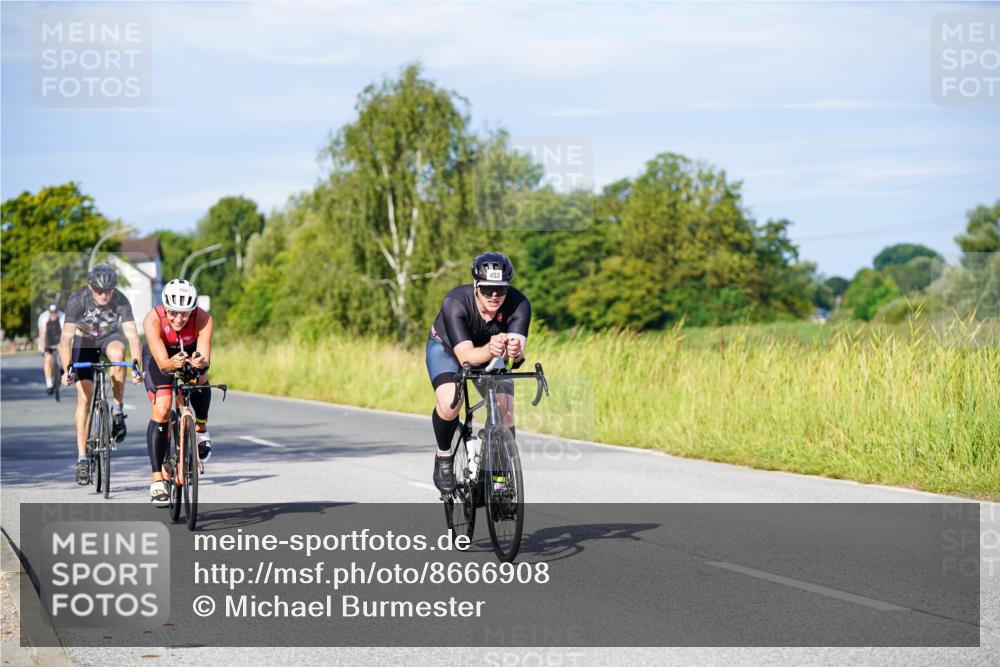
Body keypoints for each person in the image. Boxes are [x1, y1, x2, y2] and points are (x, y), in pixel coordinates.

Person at [425, 252, 531, 493]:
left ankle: (501, 483)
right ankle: (443, 456)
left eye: (500, 290)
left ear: (508, 288)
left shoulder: (520, 304)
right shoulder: (455, 302)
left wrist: (516, 351)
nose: (494, 296)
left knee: (505, 412)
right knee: (451, 403)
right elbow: (466, 358)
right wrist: (493, 349)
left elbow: (517, 356)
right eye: (487, 290)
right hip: (448, 351)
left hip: (489, 352)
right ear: (476, 286)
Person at [58, 263, 143, 485]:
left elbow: (133, 336)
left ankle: (117, 408)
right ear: (90, 287)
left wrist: (136, 367)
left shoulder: (121, 300)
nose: (104, 295)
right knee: (84, 398)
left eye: (108, 291)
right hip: (84, 341)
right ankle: (82, 459)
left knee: (119, 353)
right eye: (99, 290)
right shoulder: (78, 300)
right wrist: (67, 369)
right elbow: (65, 340)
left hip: (109, 337)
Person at [141, 279, 214, 504]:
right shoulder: (153, 319)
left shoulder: (203, 318)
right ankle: (156, 480)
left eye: (184, 313)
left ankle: (200, 427)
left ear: (192, 310)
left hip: (188, 353)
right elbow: (163, 364)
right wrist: (172, 364)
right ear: (165, 308)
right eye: (173, 313)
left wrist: (198, 362)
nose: (179, 319)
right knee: (162, 409)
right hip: (160, 358)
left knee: (200, 378)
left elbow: (204, 357)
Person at [38, 303, 65, 394]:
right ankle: (49, 384)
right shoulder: (43, 317)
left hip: (59, 337)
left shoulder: (62, 316)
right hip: (48, 338)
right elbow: (42, 334)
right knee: (48, 359)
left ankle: (62, 368)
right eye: (51, 313)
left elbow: (64, 333)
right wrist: (42, 347)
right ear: (49, 312)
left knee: (63, 354)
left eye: (55, 312)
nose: (53, 314)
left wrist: (62, 345)